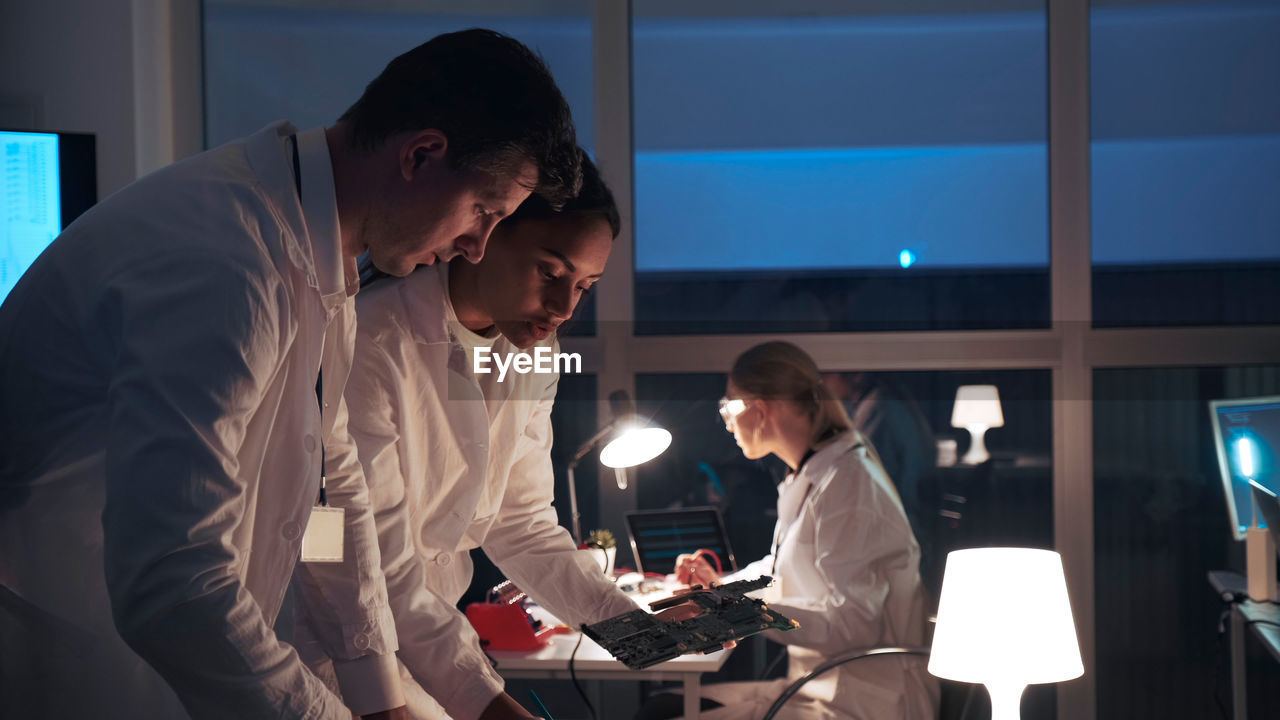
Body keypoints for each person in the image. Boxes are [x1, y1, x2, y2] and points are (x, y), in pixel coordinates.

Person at [0, 29, 579, 720]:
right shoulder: (226, 261)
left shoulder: (313, 250)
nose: (476, 246)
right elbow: (174, 583)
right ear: (421, 154)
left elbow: (327, 501)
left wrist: (378, 697)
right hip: (69, 657)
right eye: (484, 212)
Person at [296, 155, 641, 719]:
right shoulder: (373, 337)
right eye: (550, 273)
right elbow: (367, 553)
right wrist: (486, 702)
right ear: (487, 231)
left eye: (585, 286)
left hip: (427, 637)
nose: (563, 308)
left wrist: (633, 629)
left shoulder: (533, 355)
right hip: (333, 639)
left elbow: (521, 522)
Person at [654, 341, 939, 720]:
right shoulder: (815, 471)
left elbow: (855, 625)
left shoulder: (849, 484)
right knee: (663, 707)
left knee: (659, 714)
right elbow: (782, 570)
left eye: (728, 408)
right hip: (819, 685)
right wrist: (721, 587)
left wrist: (737, 608)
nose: (727, 424)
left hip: (867, 702)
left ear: (760, 409)